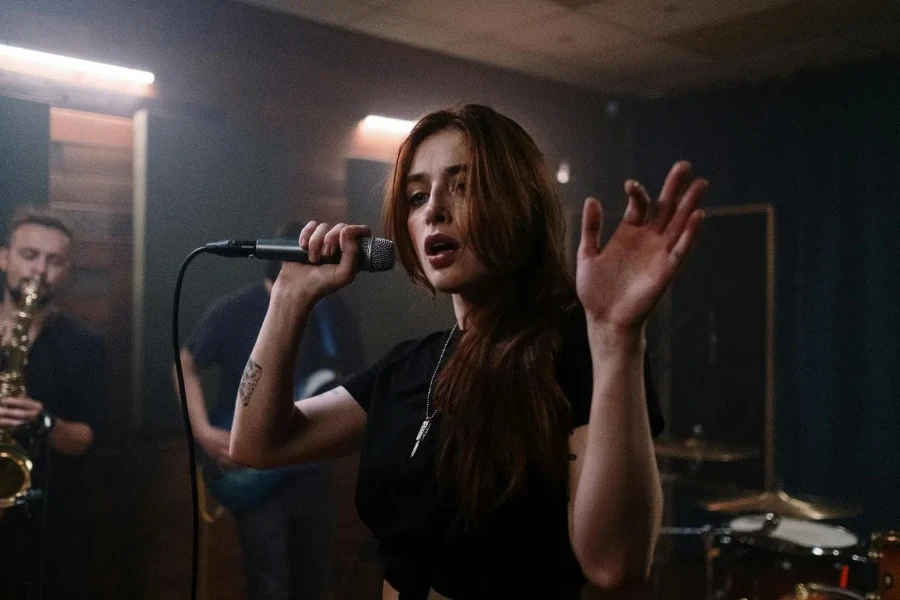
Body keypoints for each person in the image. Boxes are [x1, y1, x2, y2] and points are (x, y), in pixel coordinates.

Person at [229, 104, 707, 598]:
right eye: (417, 196)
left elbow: (614, 563)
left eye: (463, 186)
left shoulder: (578, 352)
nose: (434, 208)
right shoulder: (411, 365)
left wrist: (617, 339)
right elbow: (257, 444)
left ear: (520, 207)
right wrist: (289, 298)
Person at [179, 221, 364, 600]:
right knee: (270, 585)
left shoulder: (335, 312)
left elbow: (355, 377)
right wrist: (200, 428)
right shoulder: (233, 309)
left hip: (312, 469)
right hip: (255, 472)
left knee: (312, 580)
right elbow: (185, 364)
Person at [0, 205, 107, 600]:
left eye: (54, 261)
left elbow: (86, 440)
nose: (39, 271)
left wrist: (42, 422)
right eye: (29, 256)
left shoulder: (87, 346)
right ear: (4, 258)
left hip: (53, 533)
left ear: (66, 271)